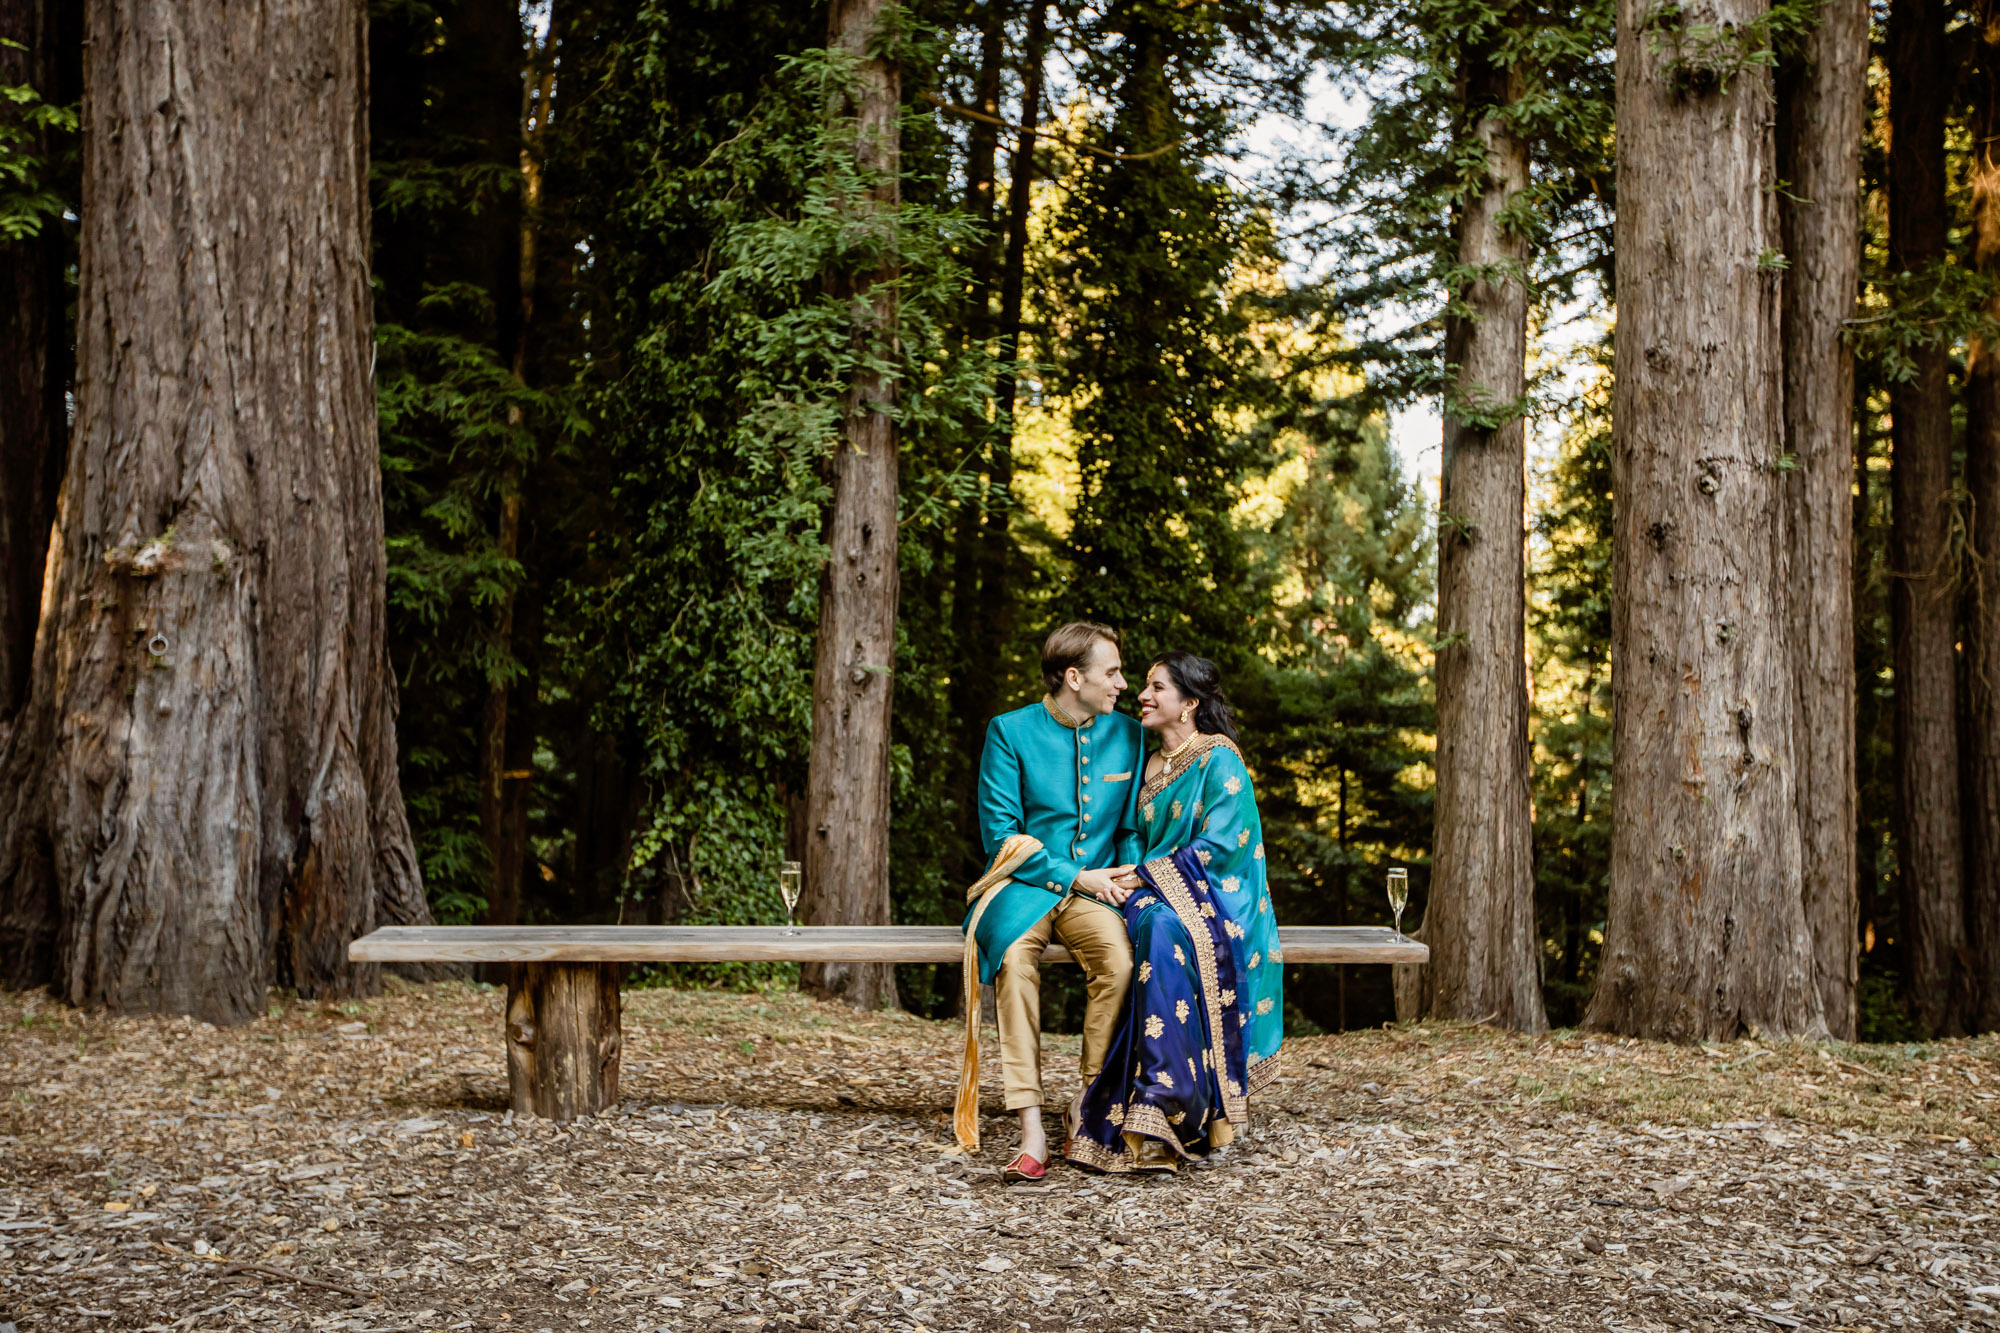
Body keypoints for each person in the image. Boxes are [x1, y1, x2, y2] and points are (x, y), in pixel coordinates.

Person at [1066, 651, 1283, 1174]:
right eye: (1145, 685)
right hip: (1146, 893)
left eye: (1158, 687)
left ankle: (1162, 1100)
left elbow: (1226, 843)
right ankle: (1167, 1099)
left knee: (1170, 931)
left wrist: (1148, 874)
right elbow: (1131, 835)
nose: (1144, 694)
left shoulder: (1217, 757)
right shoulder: (1143, 756)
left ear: (1189, 703)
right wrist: (1127, 875)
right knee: (1159, 925)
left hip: (1212, 896)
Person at [954, 622, 1144, 1183]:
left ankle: (1088, 1103)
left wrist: (1128, 877)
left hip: (1099, 889)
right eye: (1112, 673)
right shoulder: (1009, 731)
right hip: (1021, 888)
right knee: (1013, 963)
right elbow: (1001, 835)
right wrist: (1076, 876)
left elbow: (1131, 826)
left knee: (1120, 962)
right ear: (1073, 676)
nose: (1122, 684)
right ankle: (1031, 1124)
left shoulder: (1129, 735)